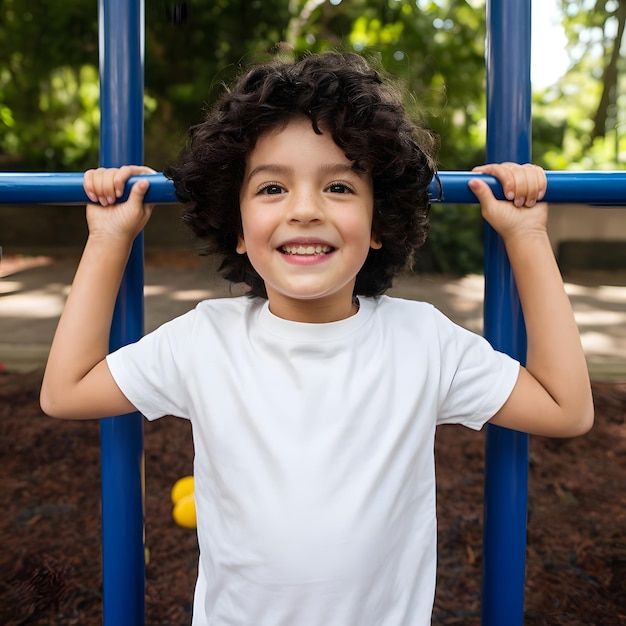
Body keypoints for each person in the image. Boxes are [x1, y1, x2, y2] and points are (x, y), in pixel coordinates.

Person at [40, 52, 593, 626]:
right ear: (236, 225)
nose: (305, 210)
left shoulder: (421, 340)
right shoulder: (205, 339)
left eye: (338, 186)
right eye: (273, 188)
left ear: (379, 223)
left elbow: (566, 408)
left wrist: (527, 236)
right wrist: (108, 238)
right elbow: (66, 391)